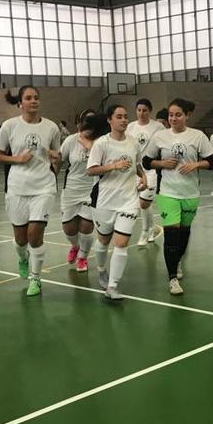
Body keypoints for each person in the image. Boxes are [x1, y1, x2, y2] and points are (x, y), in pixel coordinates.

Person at [141, 98, 213, 295]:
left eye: (178, 114)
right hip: (167, 192)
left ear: (187, 116)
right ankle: (172, 277)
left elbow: (212, 161)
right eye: (171, 115)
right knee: (171, 234)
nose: (173, 118)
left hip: (190, 192)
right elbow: (147, 161)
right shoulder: (160, 137)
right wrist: (162, 164)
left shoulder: (198, 136)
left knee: (184, 232)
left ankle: (178, 260)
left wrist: (196, 165)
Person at [0, 85, 62, 297]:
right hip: (17, 188)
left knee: (34, 235)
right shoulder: (9, 126)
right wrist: (18, 159)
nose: (34, 101)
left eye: (36, 98)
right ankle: (22, 258)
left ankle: (36, 278)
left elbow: (56, 159)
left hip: (43, 187)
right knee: (21, 239)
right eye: (29, 98)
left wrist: (56, 159)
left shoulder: (51, 128)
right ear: (20, 103)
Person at [86, 105, 148, 300]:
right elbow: (91, 170)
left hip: (128, 200)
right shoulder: (101, 144)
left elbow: (136, 163)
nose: (123, 120)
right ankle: (102, 269)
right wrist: (113, 165)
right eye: (119, 117)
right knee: (104, 239)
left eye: (125, 116)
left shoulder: (133, 142)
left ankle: (113, 286)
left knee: (121, 243)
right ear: (109, 120)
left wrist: (143, 176)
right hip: (105, 200)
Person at [60, 113, 109, 273]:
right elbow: (60, 160)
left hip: (91, 189)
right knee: (69, 228)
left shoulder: (102, 141)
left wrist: (89, 144)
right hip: (71, 189)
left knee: (86, 226)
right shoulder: (70, 140)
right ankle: (75, 246)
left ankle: (82, 257)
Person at [126, 98, 166, 247]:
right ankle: (152, 228)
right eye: (139, 110)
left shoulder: (158, 127)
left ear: (150, 111)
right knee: (143, 203)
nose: (141, 113)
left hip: (151, 170)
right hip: (135, 169)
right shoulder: (130, 127)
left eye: (145, 110)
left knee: (144, 203)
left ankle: (144, 231)